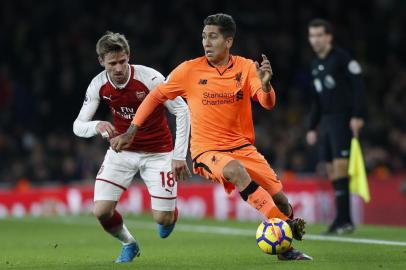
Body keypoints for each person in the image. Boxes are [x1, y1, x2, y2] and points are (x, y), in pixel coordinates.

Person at [110, 14, 312, 260]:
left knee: (280, 200)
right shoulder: (189, 70)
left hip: (243, 147)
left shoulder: (247, 67)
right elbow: (155, 96)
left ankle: (285, 249)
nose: (206, 42)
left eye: (213, 37)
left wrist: (267, 86)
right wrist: (133, 129)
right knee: (237, 171)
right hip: (207, 151)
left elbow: (267, 103)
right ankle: (286, 226)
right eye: (204, 36)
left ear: (228, 41)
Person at [73, 31, 191, 263]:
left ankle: (171, 214)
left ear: (128, 56)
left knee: (163, 220)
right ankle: (129, 244)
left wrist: (179, 155)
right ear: (101, 62)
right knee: (101, 211)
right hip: (122, 152)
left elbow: (182, 110)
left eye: (122, 61)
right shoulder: (98, 84)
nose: (118, 68)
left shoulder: (150, 79)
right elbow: (78, 125)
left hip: (159, 153)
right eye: (112, 63)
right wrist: (97, 125)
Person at [306, 19, 366, 234]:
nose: (315, 40)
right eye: (312, 36)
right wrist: (312, 127)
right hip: (327, 122)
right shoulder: (315, 65)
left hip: (343, 119)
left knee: (341, 168)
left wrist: (358, 115)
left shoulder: (341, 59)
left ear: (329, 37)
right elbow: (316, 100)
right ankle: (341, 219)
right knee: (332, 170)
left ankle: (345, 220)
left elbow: (358, 87)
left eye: (319, 35)